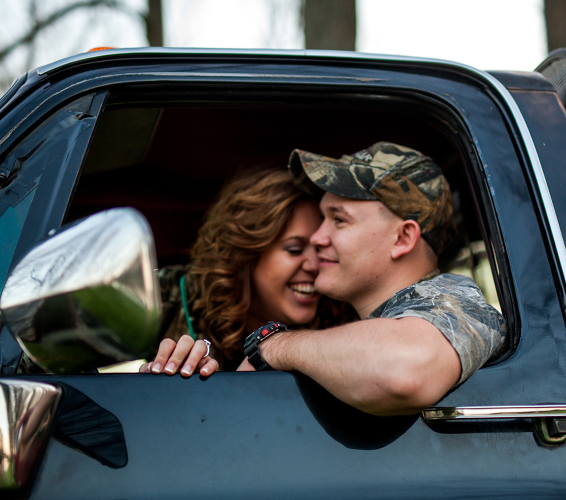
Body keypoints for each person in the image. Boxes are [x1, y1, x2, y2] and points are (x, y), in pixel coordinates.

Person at [155, 142, 507, 417]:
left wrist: (272, 346)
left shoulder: (458, 303)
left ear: (402, 238)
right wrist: (175, 389)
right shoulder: (354, 330)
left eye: (338, 220)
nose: (318, 238)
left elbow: (401, 371)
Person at [141, 167, 353, 377]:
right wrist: (150, 376)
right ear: (244, 254)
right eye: (294, 249)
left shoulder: (343, 318)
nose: (315, 265)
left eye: (320, 249)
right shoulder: (165, 296)